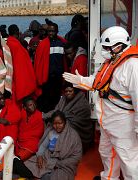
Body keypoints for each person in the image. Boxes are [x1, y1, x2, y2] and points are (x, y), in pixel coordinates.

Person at [63, 26, 138, 179]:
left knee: (128, 160)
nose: (104, 50)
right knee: (106, 152)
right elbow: (99, 82)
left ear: (118, 46)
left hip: (123, 122)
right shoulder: (111, 61)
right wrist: (81, 81)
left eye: (106, 47)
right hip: (107, 120)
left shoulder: (132, 66)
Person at [13, 111, 82, 179]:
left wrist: (58, 164)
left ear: (65, 122)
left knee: (58, 176)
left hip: (61, 163)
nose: (57, 126)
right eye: (55, 124)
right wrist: (39, 156)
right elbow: (43, 146)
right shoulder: (51, 132)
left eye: (60, 123)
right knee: (28, 164)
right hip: (47, 157)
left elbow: (77, 156)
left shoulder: (73, 135)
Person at [43, 83, 93, 152]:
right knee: (51, 125)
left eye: (70, 91)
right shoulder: (63, 99)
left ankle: (62, 149)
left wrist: (62, 121)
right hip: (63, 122)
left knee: (63, 127)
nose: (68, 93)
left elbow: (80, 120)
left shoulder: (82, 103)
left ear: (74, 91)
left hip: (79, 130)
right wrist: (44, 115)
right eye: (66, 91)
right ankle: (50, 147)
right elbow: (56, 111)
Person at [34, 21, 67, 112]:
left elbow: (64, 60)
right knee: (47, 98)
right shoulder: (43, 44)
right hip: (47, 77)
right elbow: (38, 62)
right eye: (49, 31)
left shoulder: (62, 43)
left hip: (58, 76)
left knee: (56, 98)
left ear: (57, 31)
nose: (51, 33)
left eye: (53, 31)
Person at [7, 24, 37, 102]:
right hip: (20, 74)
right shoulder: (15, 44)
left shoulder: (11, 43)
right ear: (17, 32)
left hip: (17, 73)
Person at [16, 96, 44, 161]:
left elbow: (39, 132)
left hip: (31, 142)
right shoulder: (22, 113)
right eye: (30, 105)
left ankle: (17, 160)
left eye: (34, 104)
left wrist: (25, 135)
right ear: (25, 107)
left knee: (18, 159)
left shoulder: (39, 115)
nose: (33, 106)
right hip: (20, 140)